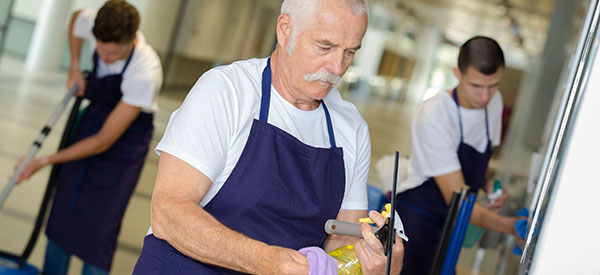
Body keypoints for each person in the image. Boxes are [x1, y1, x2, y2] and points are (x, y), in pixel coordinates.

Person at [132, 0, 404, 274]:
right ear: (285, 30)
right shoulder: (227, 92)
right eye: (325, 46)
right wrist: (269, 262)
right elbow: (168, 212)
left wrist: (374, 265)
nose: (337, 67)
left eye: (350, 52)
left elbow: (340, 241)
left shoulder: (351, 128)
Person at [15, 1, 162, 274]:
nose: (103, 58)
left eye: (113, 53)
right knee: (63, 209)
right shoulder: (96, 23)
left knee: (99, 228)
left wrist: (45, 160)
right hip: (91, 119)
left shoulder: (145, 71)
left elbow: (105, 140)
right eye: (100, 49)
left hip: (123, 145)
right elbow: (75, 20)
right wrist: (73, 65)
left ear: (131, 41)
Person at [394, 36, 518, 274]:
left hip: (454, 221)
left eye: (493, 86)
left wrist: (489, 183)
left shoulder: (494, 103)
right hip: (418, 217)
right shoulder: (435, 115)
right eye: (476, 86)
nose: (485, 96)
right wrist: (511, 227)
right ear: (457, 73)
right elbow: (459, 202)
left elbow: (479, 158)